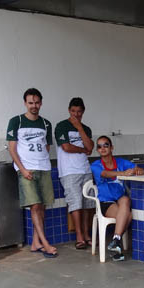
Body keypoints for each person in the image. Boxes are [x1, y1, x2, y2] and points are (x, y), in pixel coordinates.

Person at [7, 88, 57, 258]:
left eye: (36, 103)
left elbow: (46, 146)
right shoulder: (16, 121)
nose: (33, 106)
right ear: (25, 103)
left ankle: (36, 242)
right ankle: (45, 243)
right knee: (35, 206)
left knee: (42, 206)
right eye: (30, 103)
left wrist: (40, 161)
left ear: (41, 103)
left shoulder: (46, 123)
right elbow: (12, 149)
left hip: (44, 168)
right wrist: (22, 169)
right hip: (26, 169)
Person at [90, 136, 144, 261]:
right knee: (128, 216)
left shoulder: (121, 162)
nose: (103, 148)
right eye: (99, 146)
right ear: (97, 150)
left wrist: (138, 170)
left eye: (106, 145)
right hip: (106, 202)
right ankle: (116, 242)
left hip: (120, 200)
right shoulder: (95, 165)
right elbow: (105, 173)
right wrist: (122, 173)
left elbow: (140, 169)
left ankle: (116, 241)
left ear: (112, 147)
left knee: (125, 200)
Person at [55, 97, 95, 249]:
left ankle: (86, 234)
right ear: (69, 110)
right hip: (69, 171)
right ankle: (79, 237)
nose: (76, 114)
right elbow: (66, 147)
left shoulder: (86, 128)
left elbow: (90, 147)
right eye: (73, 111)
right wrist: (83, 150)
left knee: (88, 204)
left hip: (85, 170)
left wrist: (79, 127)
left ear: (83, 112)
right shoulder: (61, 126)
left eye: (79, 111)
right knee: (75, 203)